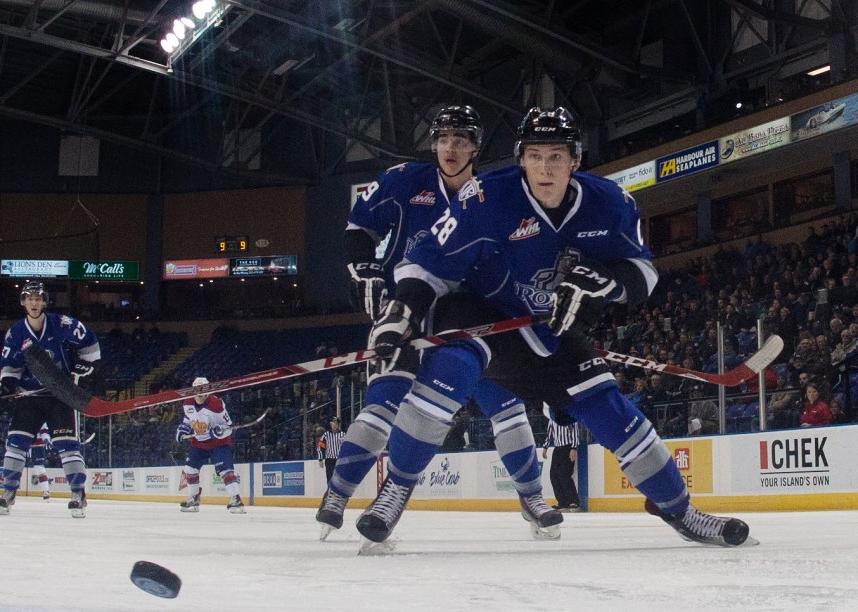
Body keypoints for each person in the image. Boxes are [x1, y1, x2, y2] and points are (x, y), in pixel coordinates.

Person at [356, 107, 751, 548]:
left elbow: (642, 274)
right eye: (536, 155)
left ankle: (681, 510)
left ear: (576, 160)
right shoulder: (483, 197)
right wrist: (401, 316)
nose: (546, 168)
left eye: (557, 156)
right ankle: (395, 489)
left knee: (609, 408)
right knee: (449, 370)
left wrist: (605, 285)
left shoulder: (610, 202)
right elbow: (426, 265)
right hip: (475, 311)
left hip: (542, 329)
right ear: (520, 159)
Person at [318, 106, 558, 542]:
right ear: (434, 143)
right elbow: (359, 228)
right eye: (444, 138)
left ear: (475, 147)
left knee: (507, 407)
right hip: (405, 311)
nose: (451, 147)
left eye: (461, 139)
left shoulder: (494, 194)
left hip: (470, 320)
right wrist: (362, 270)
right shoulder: (405, 179)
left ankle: (531, 495)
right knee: (384, 401)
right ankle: (338, 493)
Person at [0, 282, 100, 517]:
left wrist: (84, 365)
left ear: (44, 302)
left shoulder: (62, 324)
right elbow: (10, 368)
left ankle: (78, 494)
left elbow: (90, 343)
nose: (34, 303)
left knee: (67, 446)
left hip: (61, 395)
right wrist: (3, 388)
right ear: (23, 302)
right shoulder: (16, 333)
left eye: (38, 298)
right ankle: (8, 492)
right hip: (30, 397)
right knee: (16, 444)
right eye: (29, 299)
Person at [176, 377, 245, 513]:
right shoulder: (187, 403)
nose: (200, 393)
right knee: (190, 469)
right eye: (197, 389)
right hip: (200, 442)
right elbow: (188, 419)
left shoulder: (216, 405)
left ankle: (236, 500)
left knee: (225, 470)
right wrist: (183, 428)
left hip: (218, 443)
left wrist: (219, 431)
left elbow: (229, 427)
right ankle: (194, 499)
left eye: (203, 389)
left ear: (209, 390)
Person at [542, 414, 580, 511]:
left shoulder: (568, 415)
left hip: (568, 447)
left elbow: (575, 430)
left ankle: (573, 501)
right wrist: (545, 447)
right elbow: (549, 432)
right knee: (553, 475)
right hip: (557, 448)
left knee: (564, 474)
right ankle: (563, 502)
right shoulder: (552, 416)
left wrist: (574, 447)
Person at [28, 423, 52, 500]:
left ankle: (46, 491)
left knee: (39, 468)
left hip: (38, 446)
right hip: (26, 446)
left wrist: (46, 440)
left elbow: (44, 430)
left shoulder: (39, 413)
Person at [317, 417, 344, 483]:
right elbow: (320, 447)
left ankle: (337, 492)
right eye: (333, 423)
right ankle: (330, 491)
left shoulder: (343, 435)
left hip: (339, 460)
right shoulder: (326, 435)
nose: (335, 425)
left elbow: (346, 447)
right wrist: (320, 459)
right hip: (329, 460)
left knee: (338, 478)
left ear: (338, 425)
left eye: (336, 423)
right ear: (331, 424)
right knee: (330, 478)